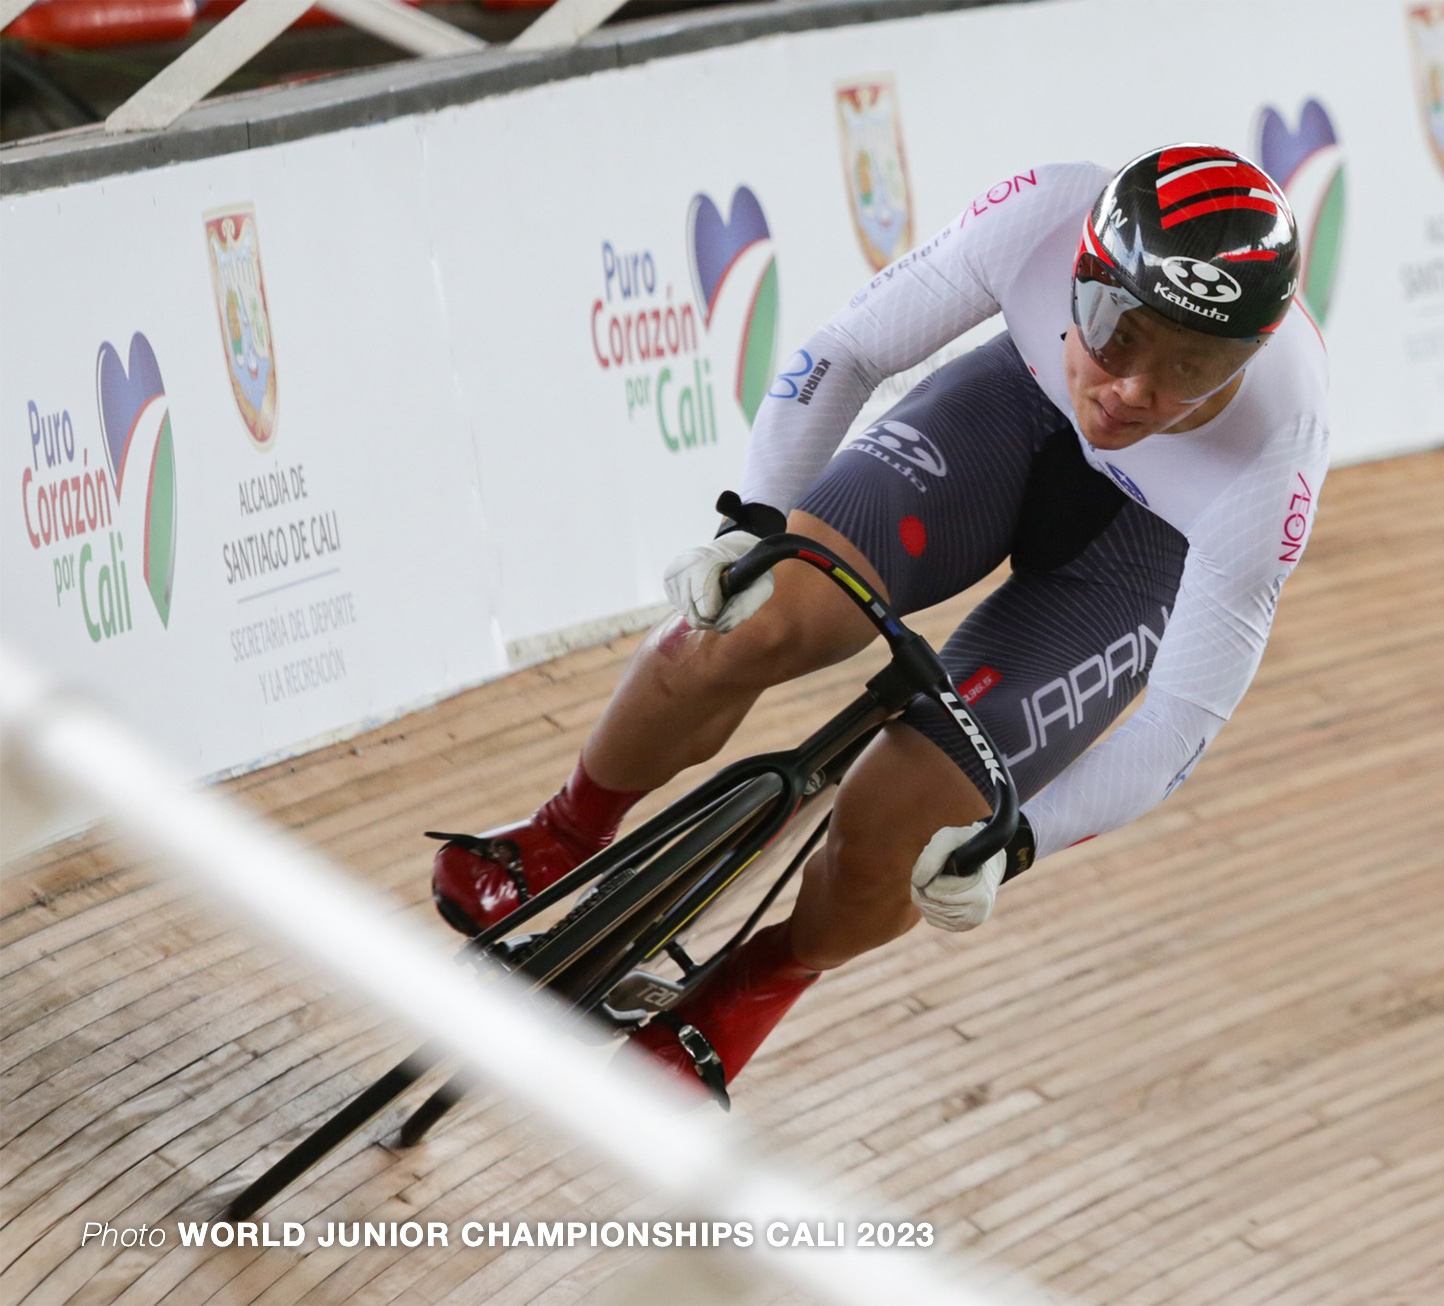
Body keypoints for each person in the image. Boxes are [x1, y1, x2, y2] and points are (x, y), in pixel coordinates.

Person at [430, 143, 1332, 1102]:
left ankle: (757, 982)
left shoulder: (1279, 447)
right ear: (1081, 272)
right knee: (755, 619)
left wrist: (1016, 842)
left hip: (1139, 553)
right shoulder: (1041, 215)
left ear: (1253, 354)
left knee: (909, 822)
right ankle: (564, 832)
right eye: (1114, 335)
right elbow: (844, 353)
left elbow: (1177, 728)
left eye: (1189, 368)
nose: (1132, 392)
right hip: (1012, 416)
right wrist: (756, 535)